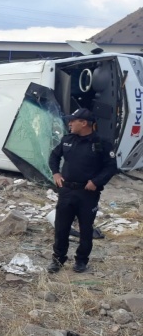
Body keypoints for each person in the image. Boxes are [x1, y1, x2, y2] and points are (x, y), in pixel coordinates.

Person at [47, 108, 117, 273]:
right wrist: (56, 173)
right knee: (61, 227)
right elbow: (54, 156)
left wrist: (96, 181)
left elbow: (111, 167)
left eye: (73, 120)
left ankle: (81, 261)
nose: (69, 123)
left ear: (84, 123)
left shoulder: (101, 143)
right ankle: (58, 259)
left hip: (88, 194)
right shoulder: (67, 140)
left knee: (86, 229)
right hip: (66, 191)